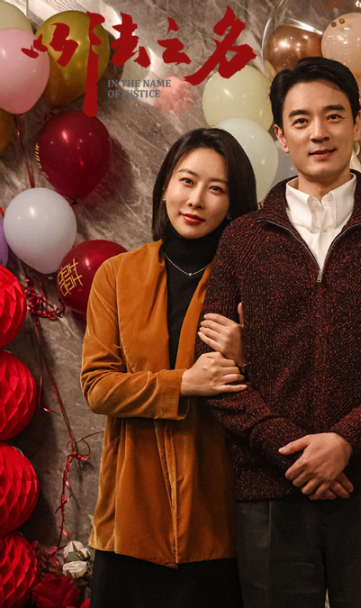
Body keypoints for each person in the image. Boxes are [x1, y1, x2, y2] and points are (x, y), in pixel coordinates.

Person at [194, 56, 361, 608]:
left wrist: (345, 441)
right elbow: (214, 368)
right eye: (301, 120)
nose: (319, 133)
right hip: (269, 485)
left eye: (333, 116)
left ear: (357, 123)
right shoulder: (242, 238)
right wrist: (290, 450)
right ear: (281, 136)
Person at [81, 128, 259, 608]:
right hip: (129, 521)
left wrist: (248, 355)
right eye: (187, 180)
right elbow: (97, 387)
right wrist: (184, 384)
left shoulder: (250, 283)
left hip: (215, 522)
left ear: (233, 205)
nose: (196, 199)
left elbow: (290, 390)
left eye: (216, 188)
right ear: (165, 187)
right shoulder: (117, 276)